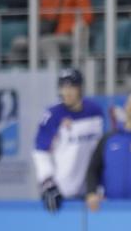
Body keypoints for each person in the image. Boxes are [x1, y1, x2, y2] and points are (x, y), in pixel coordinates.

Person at [33, 68, 105, 212]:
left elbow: (99, 150)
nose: (67, 92)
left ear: (80, 88)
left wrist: (100, 184)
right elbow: (40, 152)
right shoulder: (52, 116)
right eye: (63, 87)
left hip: (90, 191)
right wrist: (48, 183)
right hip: (62, 191)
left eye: (71, 86)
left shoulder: (95, 111)